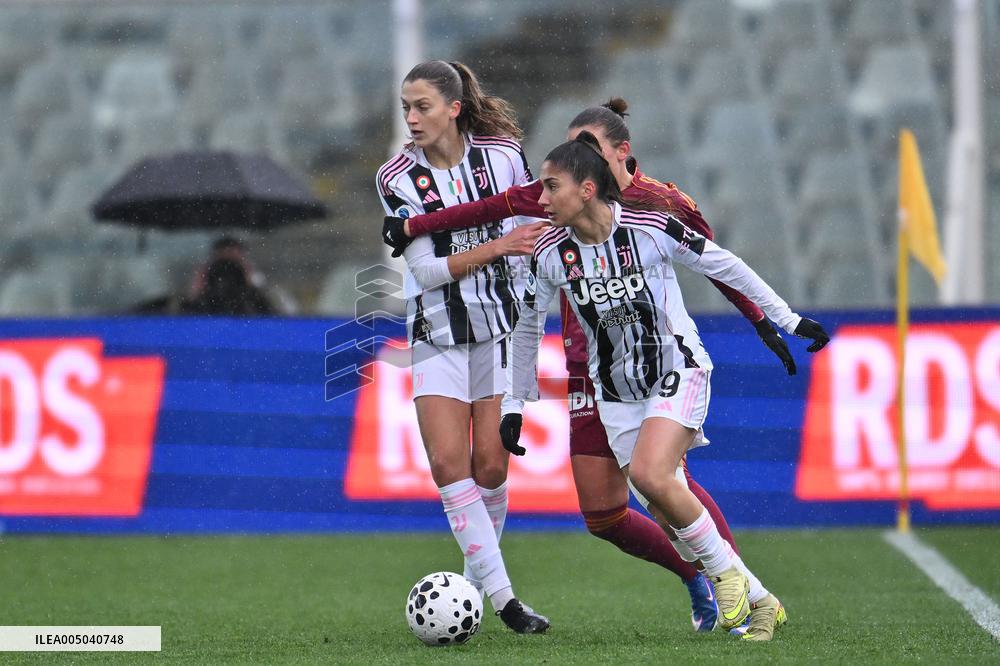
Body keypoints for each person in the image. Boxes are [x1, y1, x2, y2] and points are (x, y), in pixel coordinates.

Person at [382, 99, 791, 633]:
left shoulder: (659, 209)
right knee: (605, 514)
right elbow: (490, 212)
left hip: (658, 367)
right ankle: (704, 577)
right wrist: (414, 225)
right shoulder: (557, 209)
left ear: (617, 155)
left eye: (588, 147)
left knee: (662, 481)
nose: (567, 167)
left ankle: (737, 589)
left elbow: (716, 262)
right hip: (593, 372)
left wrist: (765, 320)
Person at [501, 131, 829, 641]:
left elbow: (725, 263)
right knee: (661, 505)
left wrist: (786, 318)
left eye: (551, 186)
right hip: (616, 394)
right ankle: (762, 601)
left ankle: (723, 577)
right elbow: (526, 327)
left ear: (587, 189)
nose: (540, 199)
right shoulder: (548, 253)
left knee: (653, 475)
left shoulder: (650, 227)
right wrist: (513, 403)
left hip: (678, 367)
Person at [374, 60, 550, 634]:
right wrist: (498, 246)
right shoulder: (396, 177)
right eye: (406, 107)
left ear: (453, 108)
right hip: (437, 334)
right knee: (448, 464)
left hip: (499, 329)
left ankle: (471, 592)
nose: (411, 117)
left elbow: (533, 228)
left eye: (422, 106)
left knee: (491, 466)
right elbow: (425, 272)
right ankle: (506, 602)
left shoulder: (503, 156)